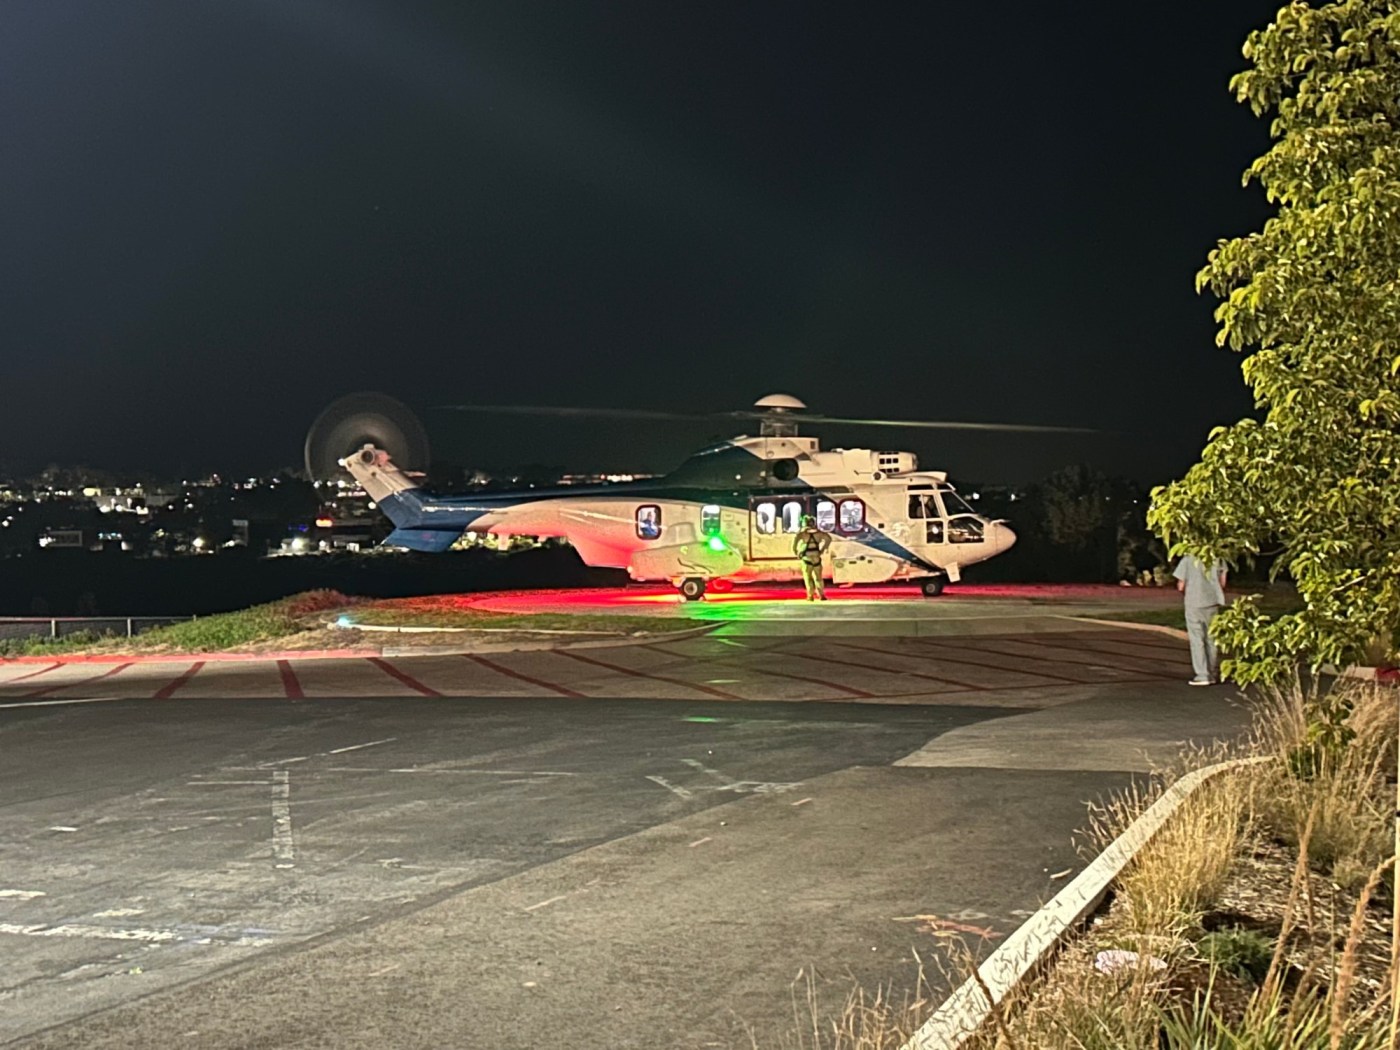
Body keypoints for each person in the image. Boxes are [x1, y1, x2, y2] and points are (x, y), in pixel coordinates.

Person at [1173, 554, 1228, 685]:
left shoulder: (1187, 559)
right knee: (1212, 638)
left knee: (1197, 639)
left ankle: (1202, 675)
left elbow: (1181, 585)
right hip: (1213, 602)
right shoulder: (1218, 558)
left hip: (1194, 602)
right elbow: (1223, 582)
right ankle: (1212, 672)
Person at [793, 514, 831, 601]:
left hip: (806, 558)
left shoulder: (801, 534)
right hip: (816, 556)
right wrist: (822, 549)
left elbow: (794, 546)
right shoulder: (819, 533)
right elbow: (828, 538)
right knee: (818, 577)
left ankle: (810, 596)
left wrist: (797, 553)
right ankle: (821, 595)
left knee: (808, 577)